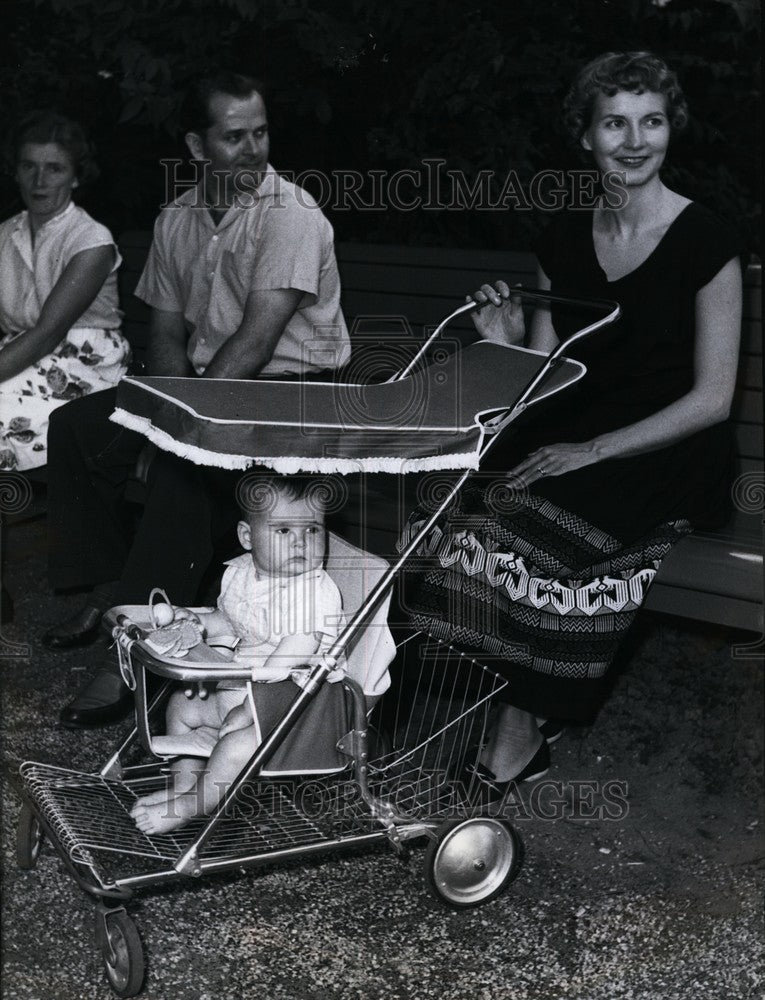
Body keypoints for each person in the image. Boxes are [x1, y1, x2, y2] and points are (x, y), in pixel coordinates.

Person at [400, 51, 743, 795]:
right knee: (467, 511)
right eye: (614, 122)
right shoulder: (562, 238)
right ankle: (484, 707)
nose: (635, 140)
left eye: (651, 121)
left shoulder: (707, 241)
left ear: (671, 129)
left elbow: (713, 397)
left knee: (532, 537)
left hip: (671, 445)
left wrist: (592, 450)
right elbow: (548, 372)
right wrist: (503, 339)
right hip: (577, 432)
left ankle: (518, 734)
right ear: (585, 136)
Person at [44, 71, 350, 728]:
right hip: (208, 389)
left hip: (292, 395)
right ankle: (113, 588)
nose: (253, 149)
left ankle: (132, 655)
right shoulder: (178, 218)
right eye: (234, 136)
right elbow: (165, 333)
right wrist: (167, 411)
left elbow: (256, 341)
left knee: (182, 471)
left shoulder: (291, 215)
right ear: (195, 145)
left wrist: (176, 429)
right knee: (76, 427)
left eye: (260, 132)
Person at [131, 474, 346, 835]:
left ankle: (194, 805)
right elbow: (230, 622)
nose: (300, 542)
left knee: (235, 749)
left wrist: (248, 708)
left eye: (312, 530)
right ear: (247, 537)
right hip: (240, 685)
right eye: (283, 531)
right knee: (181, 707)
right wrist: (201, 626)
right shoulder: (241, 573)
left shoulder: (314, 592)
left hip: (294, 706)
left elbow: (291, 655)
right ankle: (184, 787)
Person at [0, 112, 130, 470]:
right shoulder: (5, 234)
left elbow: (48, 333)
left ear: (75, 176)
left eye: (54, 168)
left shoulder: (91, 239)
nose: (39, 180)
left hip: (82, 367)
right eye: (28, 166)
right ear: (15, 171)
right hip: (20, 355)